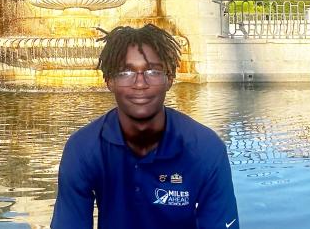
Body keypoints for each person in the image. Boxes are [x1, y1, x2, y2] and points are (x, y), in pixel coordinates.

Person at [51, 24, 239, 229]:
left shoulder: (205, 148)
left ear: (170, 79)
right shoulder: (84, 149)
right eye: (125, 72)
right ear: (109, 81)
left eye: (153, 71)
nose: (140, 83)